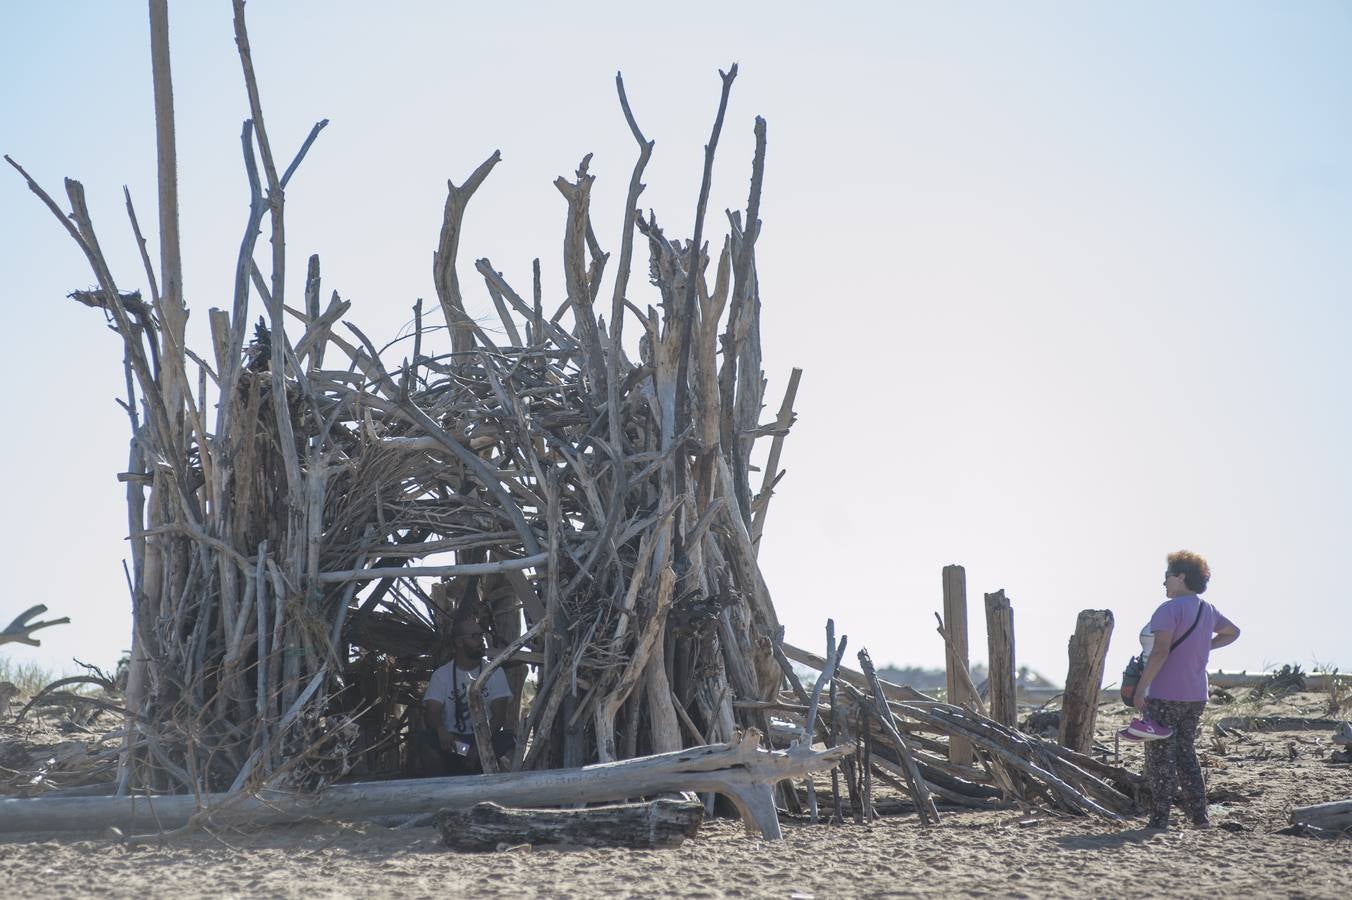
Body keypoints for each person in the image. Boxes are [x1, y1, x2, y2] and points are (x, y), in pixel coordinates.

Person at [1131, 550, 1240, 830]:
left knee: (1160, 758)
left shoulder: (1168, 609)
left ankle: (1160, 819)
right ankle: (1199, 817)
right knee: (1185, 753)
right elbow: (1233, 632)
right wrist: (1205, 647)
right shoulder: (1208, 609)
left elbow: (1159, 652)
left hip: (1166, 693)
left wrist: (1141, 689)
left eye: (1167, 576)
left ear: (1180, 577)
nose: (1164, 582)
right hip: (1196, 695)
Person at [416, 607, 515, 776]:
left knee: (509, 743)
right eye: (475, 637)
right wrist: (441, 729)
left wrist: (479, 747)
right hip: (456, 746)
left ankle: (504, 791)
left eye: (481, 635)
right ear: (459, 643)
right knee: (426, 742)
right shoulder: (442, 675)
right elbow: (432, 711)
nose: (481, 641)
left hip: (486, 741)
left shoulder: (495, 672)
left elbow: (499, 717)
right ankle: (442, 794)